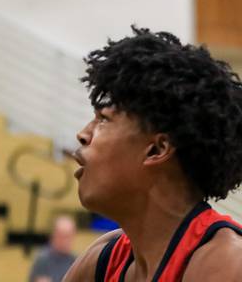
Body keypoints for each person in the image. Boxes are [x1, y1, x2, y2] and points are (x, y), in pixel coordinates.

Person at [63, 28, 242, 282]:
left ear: (156, 149)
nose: (83, 134)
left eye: (103, 119)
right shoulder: (100, 260)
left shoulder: (226, 265)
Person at [28, 215, 77, 282]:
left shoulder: (75, 261)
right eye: (62, 236)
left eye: (68, 236)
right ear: (54, 235)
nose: (65, 241)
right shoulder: (43, 259)